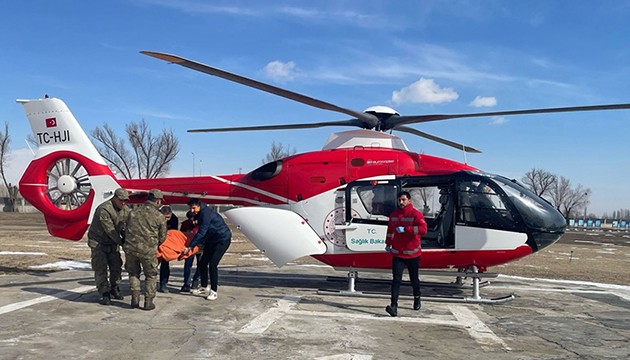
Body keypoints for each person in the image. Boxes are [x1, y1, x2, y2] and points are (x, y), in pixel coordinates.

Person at [384, 190, 428, 317]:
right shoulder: (394, 215)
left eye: (403, 200)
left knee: (414, 279)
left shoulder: (416, 214)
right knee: (396, 280)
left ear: (409, 200)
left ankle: (417, 297)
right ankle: (393, 306)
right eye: (399, 200)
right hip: (397, 254)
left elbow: (423, 229)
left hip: (412, 254)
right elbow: (390, 231)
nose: (401, 202)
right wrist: (388, 243)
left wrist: (407, 229)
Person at [124, 189, 167, 310]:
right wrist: (154, 244)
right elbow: (163, 237)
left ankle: (135, 298)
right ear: (158, 201)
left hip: (131, 249)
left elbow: (124, 228)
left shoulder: (133, 212)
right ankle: (148, 301)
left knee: (133, 273)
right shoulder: (159, 216)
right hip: (148, 251)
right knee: (151, 275)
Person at [87, 187, 129, 305]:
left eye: (126, 200)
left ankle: (114, 288)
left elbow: (128, 225)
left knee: (116, 266)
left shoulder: (125, 210)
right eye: (121, 200)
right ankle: (104, 292)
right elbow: (110, 230)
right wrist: (123, 243)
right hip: (98, 242)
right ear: (115, 198)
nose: (123, 203)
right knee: (100, 268)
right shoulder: (104, 209)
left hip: (112, 243)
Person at [183, 198, 231, 301]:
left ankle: (214, 291)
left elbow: (202, 232)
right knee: (202, 263)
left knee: (212, 264)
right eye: (190, 208)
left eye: (193, 208)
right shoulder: (199, 212)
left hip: (221, 239)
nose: (192, 210)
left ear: (199, 205)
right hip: (211, 239)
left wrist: (191, 246)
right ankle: (204, 287)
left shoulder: (205, 214)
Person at [158, 206, 179, 293]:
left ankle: (163, 283)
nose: (167, 220)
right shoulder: (156, 217)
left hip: (166, 243)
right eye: (165, 217)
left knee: (165, 263)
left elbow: (173, 233)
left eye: (168, 217)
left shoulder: (174, 219)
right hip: (155, 242)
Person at [180, 211, 201, 293]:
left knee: (201, 264)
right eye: (190, 219)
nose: (192, 221)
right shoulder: (185, 224)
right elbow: (181, 235)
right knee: (188, 265)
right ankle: (186, 284)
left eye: (194, 219)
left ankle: (196, 281)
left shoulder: (201, 224)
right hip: (189, 248)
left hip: (200, 247)